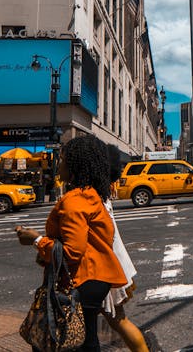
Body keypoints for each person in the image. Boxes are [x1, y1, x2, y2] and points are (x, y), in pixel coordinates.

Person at [16, 135, 126, 351]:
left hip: (81, 279)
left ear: (74, 165)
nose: (59, 163)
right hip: (96, 278)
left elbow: (72, 252)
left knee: (70, 340)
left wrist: (36, 240)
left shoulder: (74, 201)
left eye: (63, 159)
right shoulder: (92, 195)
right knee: (86, 337)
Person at [101, 145, 149, 352]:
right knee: (115, 320)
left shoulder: (95, 199)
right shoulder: (101, 195)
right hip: (108, 269)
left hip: (104, 270)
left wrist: (39, 240)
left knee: (117, 319)